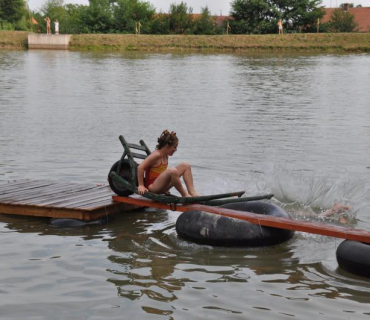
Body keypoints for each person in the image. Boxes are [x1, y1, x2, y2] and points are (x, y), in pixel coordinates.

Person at [137, 130, 199, 197]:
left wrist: (164, 185)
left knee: (186, 166)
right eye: (174, 147)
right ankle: (184, 195)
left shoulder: (166, 156)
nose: (176, 150)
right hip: (152, 187)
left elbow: (162, 174)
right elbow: (140, 167)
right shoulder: (156, 155)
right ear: (167, 146)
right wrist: (141, 185)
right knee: (172, 170)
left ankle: (192, 193)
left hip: (161, 186)